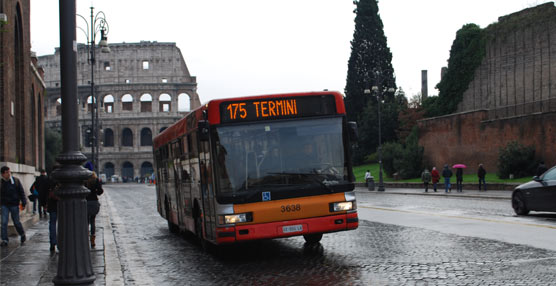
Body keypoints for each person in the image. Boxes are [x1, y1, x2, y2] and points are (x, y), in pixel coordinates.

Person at [0, 166, 27, 246]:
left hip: (14, 204)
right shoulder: (1, 183)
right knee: (4, 222)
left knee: (16, 222)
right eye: (7, 172)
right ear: (3, 174)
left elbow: (21, 192)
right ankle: (5, 239)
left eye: (9, 172)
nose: (9, 174)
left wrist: (24, 202)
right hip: (4, 205)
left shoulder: (15, 181)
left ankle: (22, 234)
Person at [85, 171, 104, 248]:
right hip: (93, 201)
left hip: (85, 201)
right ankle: (92, 240)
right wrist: (95, 191)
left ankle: (85, 238)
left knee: (86, 221)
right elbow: (100, 191)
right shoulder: (95, 180)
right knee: (93, 221)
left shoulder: (84, 180)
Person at [47, 182, 60, 251]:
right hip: (61, 205)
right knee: (61, 225)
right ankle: (60, 243)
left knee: (52, 224)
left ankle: (53, 242)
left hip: (52, 206)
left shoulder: (51, 179)